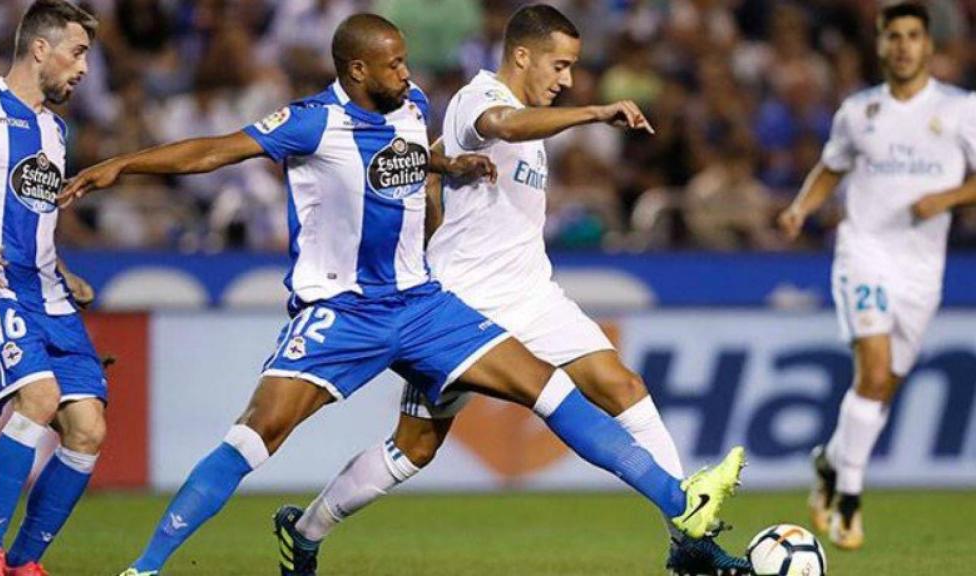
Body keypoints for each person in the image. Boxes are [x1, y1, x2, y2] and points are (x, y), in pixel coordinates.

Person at [61, 13, 746, 576]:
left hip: (421, 305)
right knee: (256, 434)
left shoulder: (413, 106)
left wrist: (451, 163)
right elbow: (215, 150)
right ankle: (145, 569)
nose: (409, 75)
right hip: (342, 311)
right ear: (357, 70)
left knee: (548, 392)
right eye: (393, 65)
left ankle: (681, 504)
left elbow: (410, 155)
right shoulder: (312, 123)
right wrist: (122, 164)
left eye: (406, 62)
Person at [273, 5, 752, 576]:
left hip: (533, 292)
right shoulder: (479, 98)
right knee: (414, 448)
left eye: (573, 69)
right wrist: (594, 113)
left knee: (621, 385)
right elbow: (501, 125)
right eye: (561, 65)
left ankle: (687, 535)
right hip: (463, 300)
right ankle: (305, 531)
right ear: (522, 55)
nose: (567, 79)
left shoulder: (534, 111)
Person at [778, 1, 976, 551]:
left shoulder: (963, 110)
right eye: (895, 36)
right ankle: (849, 500)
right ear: (881, 43)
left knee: (884, 386)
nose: (905, 46)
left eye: (915, 36)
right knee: (874, 368)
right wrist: (801, 208)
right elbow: (831, 167)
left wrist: (951, 196)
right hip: (864, 252)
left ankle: (828, 462)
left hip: (922, 269)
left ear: (929, 45)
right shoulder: (858, 112)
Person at [0, 2, 108, 576]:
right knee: (38, 399)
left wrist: (62, 271)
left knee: (88, 428)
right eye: (78, 51)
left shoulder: (55, 130)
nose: (85, 68)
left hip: (49, 294)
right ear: (40, 49)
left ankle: (21, 564)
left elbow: (31, 214)